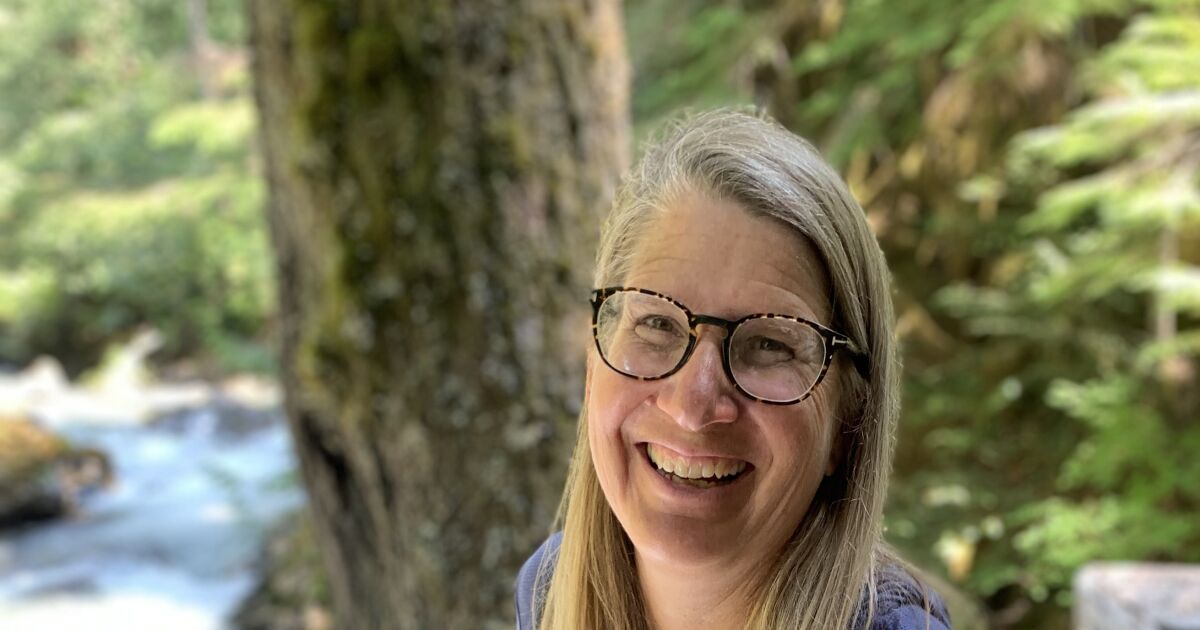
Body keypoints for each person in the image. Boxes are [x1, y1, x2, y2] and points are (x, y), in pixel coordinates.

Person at [516, 109, 951, 630]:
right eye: (657, 323)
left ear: (848, 421)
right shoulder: (551, 591)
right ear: (593, 367)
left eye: (769, 344)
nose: (693, 406)